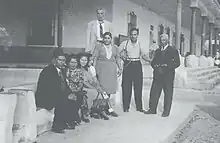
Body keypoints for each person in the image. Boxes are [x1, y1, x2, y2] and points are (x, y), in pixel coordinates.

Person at [35, 48, 73, 133]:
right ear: (54, 60)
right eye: (60, 60)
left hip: (55, 94)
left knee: (75, 97)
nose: (62, 62)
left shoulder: (61, 71)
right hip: (45, 96)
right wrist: (66, 95)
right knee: (63, 99)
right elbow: (51, 88)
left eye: (64, 60)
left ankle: (66, 121)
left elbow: (64, 85)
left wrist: (70, 93)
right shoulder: (48, 70)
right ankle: (57, 126)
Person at [145, 34, 180, 117]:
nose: (162, 42)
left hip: (168, 76)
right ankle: (152, 109)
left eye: (164, 40)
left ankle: (166, 111)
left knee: (168, 94)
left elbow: (177, 63)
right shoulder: (157, 51)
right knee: (154, 92)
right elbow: (153, 62)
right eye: (161, 40)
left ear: (167, 40)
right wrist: (156, 68)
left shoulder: (173, 50)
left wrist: (166, 67)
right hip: (158, 75)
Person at [119, 28, 148, 113]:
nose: (133, 36)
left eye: (135, 34)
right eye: (131, 34)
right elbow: (118, 53)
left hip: (137, 65)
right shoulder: (124, 43)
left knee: (138, 87)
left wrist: (151, 61)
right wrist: (122, 56)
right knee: (126, 86)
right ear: (129, 35)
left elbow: (144, 56)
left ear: (137, 35)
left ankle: (139, 107)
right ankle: (126, 107)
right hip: (128, 64)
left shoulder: (140, 44)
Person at [93, 32, 122, 117]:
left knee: (109, 89)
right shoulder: (98, 47)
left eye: (108, 38)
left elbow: (118, 58)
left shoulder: (115, 48)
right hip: (101, 69)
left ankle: (107, 108)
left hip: (111, 69)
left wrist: (120, 68)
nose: (106, 39)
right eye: (105, 38)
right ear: (103, 39)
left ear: (111, 39)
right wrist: (94, 70)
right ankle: (103, 109)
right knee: (102, 89)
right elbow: (94, 58)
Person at [76, 52, 110, 120]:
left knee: (103, 92)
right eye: (82, 60)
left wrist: (98, 86)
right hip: (81, 87)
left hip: (89, 86)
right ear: (78, 60)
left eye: (85, 60)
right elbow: (84, 82)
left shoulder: (88, 69)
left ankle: (99, 110)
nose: (84, 62)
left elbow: (93, 80)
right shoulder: (78, 69)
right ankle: (85, 112)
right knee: (94, 92)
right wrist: (95, 88)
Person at [65, 54, 90, 124]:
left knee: (81, 96)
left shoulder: (79, 72)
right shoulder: (65, 71)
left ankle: (78, 115)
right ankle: (72, 117)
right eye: (71, 62)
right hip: (67, 90)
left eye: (75, 62)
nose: (73, 64)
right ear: (68, 63)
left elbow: (80, 83)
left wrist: (75, 91)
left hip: (77, 90)